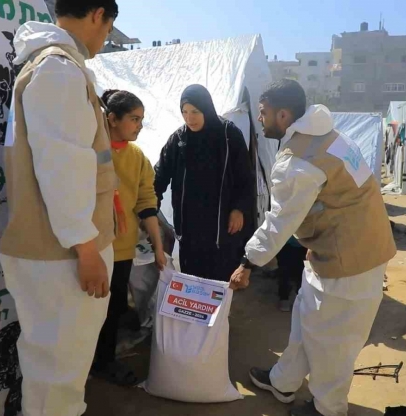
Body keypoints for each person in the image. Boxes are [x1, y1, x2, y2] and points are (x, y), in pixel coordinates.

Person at [230, 80, 396, 416]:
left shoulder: (299, 161)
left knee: (333, 343)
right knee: (306, 320)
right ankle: (283, 382)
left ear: (283, 114)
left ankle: (328, 409)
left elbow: (280, 221)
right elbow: (348, 194)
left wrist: (248, 261)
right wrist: (319, 235)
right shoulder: (332, 138)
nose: (260, 121)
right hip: (343, 248)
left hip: (350, 263)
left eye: (262, 114)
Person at [0, 1, 118, 414]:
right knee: (58, 374)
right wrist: (86, 248)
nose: (105, 39)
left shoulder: (50, 67)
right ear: (98, 14)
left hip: (57, 248)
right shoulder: (58, 71)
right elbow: (62, 169)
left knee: (55, 366)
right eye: (108, 28)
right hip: (61, 253)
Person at [91, 89, 166, 385]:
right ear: (112, 119)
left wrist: (159, 249)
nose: (139, 125)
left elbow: (147, 203)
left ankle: (104, 362)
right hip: (91, 247)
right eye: (134, 119)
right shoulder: (89, 152)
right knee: (87, 308)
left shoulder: (137, 157)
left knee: (113, 307)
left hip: (121, 250)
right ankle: (82, 362)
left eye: (141, 120)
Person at [154, 85, 255, 282]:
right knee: (192, 279)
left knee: (220, 280)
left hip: (221, 225)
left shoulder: (228, 135)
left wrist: (239, 209)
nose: (189, 118)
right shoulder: (179, 139)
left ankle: (219, 313)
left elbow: (245, 176)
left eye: (195, 112)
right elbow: (160, 176)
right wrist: (149, 207)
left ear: (206, 109)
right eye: (184, 112)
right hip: (190, 226)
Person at [276, 237, 307, 312]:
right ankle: (284, 298)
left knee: (301, 273)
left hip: (303, 245)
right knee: (285, 272)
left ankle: (298, 299)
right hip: (286, 245)